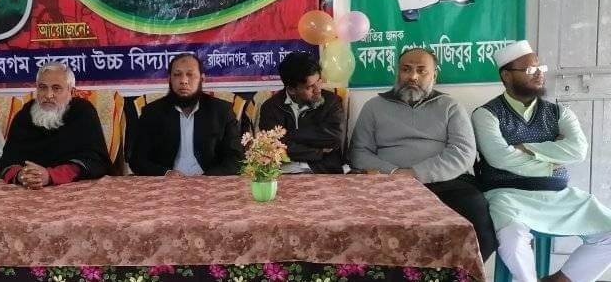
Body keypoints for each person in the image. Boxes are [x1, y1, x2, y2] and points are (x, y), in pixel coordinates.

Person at [473, 41, 611, 282]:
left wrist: (526, 148)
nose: (539, 74)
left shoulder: (559, 113)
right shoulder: (486, 114)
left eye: (540, 68)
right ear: (507, 76)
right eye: (530, 70)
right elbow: (499, 157)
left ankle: (559, 280)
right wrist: (551, 163)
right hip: (507, 196)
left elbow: (578, 151)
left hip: (559, 195)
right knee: (513, 241)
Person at [351, 48, 496, 260]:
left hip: (447, 184)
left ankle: (455, 274)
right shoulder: (373, 107)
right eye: (406, 69)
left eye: (421, 70)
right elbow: (358, 153)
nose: (413, 76)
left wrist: (415, 173)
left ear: (434, 75)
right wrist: (394, 174)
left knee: (478, 224)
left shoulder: (450, 106)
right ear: (397, 72)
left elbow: (463, 152)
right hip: (388, 185)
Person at [0, 63, 111, 188]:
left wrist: (51, 175)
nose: (48, 95)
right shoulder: (25, 115)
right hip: (28, 189)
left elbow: (95, 161)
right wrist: (21, 175)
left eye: (56, 88)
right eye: (43, 87)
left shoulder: (82, 112)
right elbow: (6, 163)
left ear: (72, 92)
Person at [129, 53, 243, 176]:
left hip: (209, 182)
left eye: (190, 74)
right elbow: (137, 160)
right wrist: (165, 173)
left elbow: (236, 159)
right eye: (177, 75)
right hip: (167, 183)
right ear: (169, 79)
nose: (183, 81)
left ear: (202, 79)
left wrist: (208, 177)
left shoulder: (221, 111)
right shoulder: (152, 112)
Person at [257, 51, 345, 174]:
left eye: (319, 81)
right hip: (283, 173)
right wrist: (319, 151)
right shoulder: (271, 107)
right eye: (310, 87)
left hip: (322, 171)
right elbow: (273, 147)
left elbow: (334, 138)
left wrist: (289, 135)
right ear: (291, 89)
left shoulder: (331, 102)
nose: (318, 90)